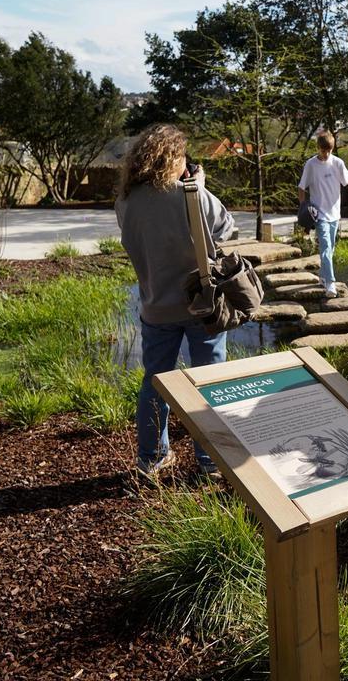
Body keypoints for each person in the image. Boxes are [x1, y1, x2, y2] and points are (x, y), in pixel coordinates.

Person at [116, 124, 236, 478]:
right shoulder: (191, 193)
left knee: (155, 382)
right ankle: (209, 461)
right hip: (202, 303)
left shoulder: (126, 200)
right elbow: (226, 228)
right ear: (175, 157)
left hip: (155, 304)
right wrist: (199, 187)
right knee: (207, 382)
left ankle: (152, 457)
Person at [297, 131, 348, 298]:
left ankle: (322, 277)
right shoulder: (311, 165)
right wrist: (303, 207)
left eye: (329, 150)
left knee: (330, 249)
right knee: (325, 248)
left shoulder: (337, 163)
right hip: (319, 214)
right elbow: (301, 187)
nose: (326, 153)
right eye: (323, 150)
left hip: (335, 214)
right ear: (318, 148)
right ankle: (331, 284)